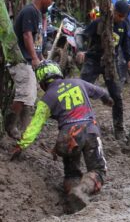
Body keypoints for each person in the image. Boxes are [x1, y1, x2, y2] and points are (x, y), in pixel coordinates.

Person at [11, 60, 113, 214]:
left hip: (66, 138)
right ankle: (82, 191)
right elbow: (102, 92)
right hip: (90, 130)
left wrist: (21, 146)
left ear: (42, 83)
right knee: (98, 170)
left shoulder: (46, 99)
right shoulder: (78, 82)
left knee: (71, 173)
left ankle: (73, 200)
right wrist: (108, 100)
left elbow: (34, 127)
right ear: (59, 73)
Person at [76, 0, 130, 140]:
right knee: (80, 92)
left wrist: (129, 61)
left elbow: (125, 44)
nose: (120, 18)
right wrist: (81, 50)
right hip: (93, 60)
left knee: (117, 96)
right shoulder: (99, 22)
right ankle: (77, 123)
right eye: (119, 15)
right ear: (113, 12)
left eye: (124, 16)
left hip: (110, 62)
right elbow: (81, 35)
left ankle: (119, 129)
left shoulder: (123, 25)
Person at [5, 0, 57, 140]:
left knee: (30, 97)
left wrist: (40, 58)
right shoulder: (30, 11)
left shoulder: (38, 14)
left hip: (30, 60)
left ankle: (24, 130)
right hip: (21, 59)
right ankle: (10, 125)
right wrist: (34, 58)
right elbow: (27, 35)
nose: (52, 3)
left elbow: (37, 40)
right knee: (25, 93)